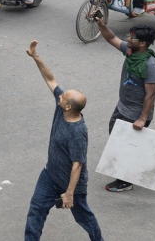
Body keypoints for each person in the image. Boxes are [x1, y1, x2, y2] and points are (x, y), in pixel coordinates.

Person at [23, 42, 103, 241]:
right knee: (36, 211)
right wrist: (36, 57)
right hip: (50, 174)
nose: (60, 96)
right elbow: (50, 79)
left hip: (71, 184)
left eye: (63, 98)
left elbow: (77, 165)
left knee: (84, 217)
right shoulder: (62, 108)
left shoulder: (77, 131)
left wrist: (69, 193)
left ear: (68, 107)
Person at [95, 19, 155, 193]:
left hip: (135, 114)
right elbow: (111, 38)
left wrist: (142, 119)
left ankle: (125, 181)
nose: (128, 40)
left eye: (132, 38)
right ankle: (133, 165)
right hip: (122, 107)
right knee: (116, 141)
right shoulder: (131, 51)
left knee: (124, 146)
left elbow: (151, 95)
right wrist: (100, 23)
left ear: (143, 43)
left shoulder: (150, 65)